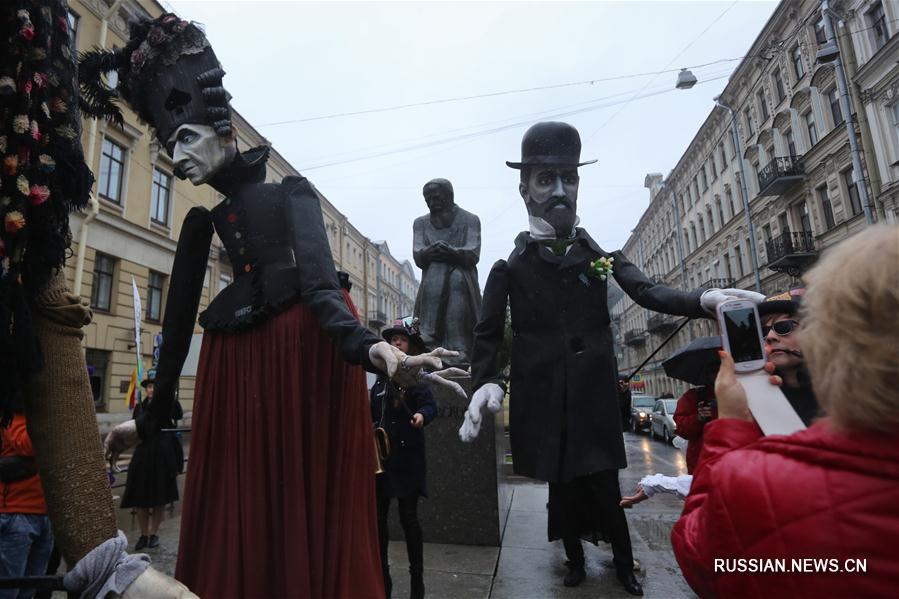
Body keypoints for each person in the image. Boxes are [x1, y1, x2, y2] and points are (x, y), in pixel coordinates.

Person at [89, 14, 451, 597]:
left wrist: (373, 351)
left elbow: (321, 289)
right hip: (237, 359)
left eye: (186, 138)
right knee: (245, 492)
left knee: (302, 491)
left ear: (222, 131)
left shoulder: (293, 193)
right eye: (169, 143)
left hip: (304, 346)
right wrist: (148, 420)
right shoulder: (199, 223)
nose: (178, 157)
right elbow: (176, 331)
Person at [459, 121, 763, 596]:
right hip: (546, 400)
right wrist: (487, 381)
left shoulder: (599, 255)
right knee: (560, 487)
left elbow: (647, 291)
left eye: (569, 178)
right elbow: (488, 330)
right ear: (524, 190)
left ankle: (624, 563)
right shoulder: (511, 266)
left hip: (592, 397)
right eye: (546, 179)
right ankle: (574, 561)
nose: (560, 191)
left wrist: (702, 299)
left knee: (604, 483)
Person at [671, 225, 899, 598]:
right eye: (762, 332)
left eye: (786, 326)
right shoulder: (764, 398)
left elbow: (705, 558)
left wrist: (729, 428)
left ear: (829, 338)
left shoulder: (759, 476)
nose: (770, 338)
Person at [371, 318, 437, 599]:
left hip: (407, 459)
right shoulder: (380, 379)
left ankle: (416, 581)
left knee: (409, 518)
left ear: (410, 345)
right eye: (393, 340)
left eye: (402, 340)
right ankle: (382, 579)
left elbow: (429, 405)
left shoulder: (414, 377)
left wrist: (422, 415)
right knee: (379, 520)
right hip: (381, 461)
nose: (396, 343)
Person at [413, 178, 482, 366]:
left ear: (449, 196)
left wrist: (453, 252)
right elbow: (418, 255)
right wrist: (429, 252)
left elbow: (473, 253)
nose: (431, 203)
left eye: (436, 198)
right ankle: (431, 338)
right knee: (437, 264)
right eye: (427, 200)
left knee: (456, 278)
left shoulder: (470, 219)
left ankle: (453, 345)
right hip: (433, 281)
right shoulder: (420, 223)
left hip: (463, 280)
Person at [119, 369, 182, 550]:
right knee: (140, 498)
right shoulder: (140, 408)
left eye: (155, 386)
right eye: (149, 387)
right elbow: (134, 429)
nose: (152, 390)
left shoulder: (168, 404)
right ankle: (143, 534)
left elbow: (177, 414)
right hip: (143, 455)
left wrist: (171, 395)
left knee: (160, 497)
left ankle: (154, 533)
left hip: (162, 455)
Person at [0, 410, 53, 599]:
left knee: (29, 589)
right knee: (9, 591)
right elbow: (27, 444)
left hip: (44, 514)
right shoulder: (13, 413)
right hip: (17, 514)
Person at [758, 289, 819, 425]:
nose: (770, 337)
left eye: (783, 327)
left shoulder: (843, 391)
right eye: (762, 331)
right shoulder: (753, 396)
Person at [672, 365, 719, 474]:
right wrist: (698, 418)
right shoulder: (694, 396)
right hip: (703, 464)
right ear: (708, 375)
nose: (719, 373)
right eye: (715, 370)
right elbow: (682, 428)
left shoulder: (743, 393)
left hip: (736, 461)